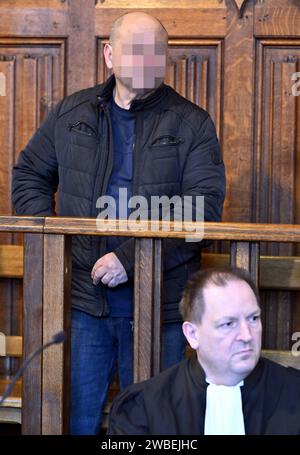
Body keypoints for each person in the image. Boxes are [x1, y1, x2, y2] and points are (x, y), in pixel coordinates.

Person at [11, 12, 225, 434]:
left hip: (160, 307)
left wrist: (130, 259)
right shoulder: (71, 112)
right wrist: (56, 240)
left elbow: (202, 209)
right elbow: (29, 176)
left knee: (153, 429)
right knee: (72, 421)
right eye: (134, 48)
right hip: (81, 304)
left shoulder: (193, 123)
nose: (146, 59)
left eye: (155, 51)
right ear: (109, 54)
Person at [109, 267, 300, 435]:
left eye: (253, 318)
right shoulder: (145, 407)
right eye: (228, 324)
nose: (246, 335)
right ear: (192, 334)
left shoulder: (294, 393)